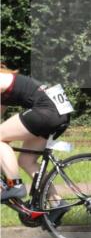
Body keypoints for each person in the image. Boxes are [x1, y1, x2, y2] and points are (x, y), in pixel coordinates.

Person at [0, 63, 72, 201]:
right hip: (59, 112)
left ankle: (14, 185)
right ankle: (56, 202)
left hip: (47, 111)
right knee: (26, 161)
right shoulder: (8, 81)